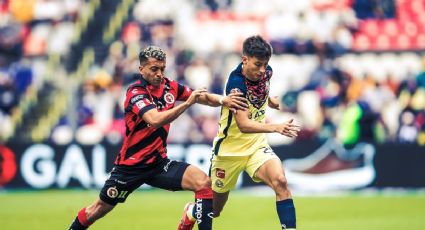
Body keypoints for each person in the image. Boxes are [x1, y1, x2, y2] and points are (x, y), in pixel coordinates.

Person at [68, 46, 248, 230]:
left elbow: (201, 97)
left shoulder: (169, 86)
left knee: (204, 184)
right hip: (130, 168)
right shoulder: (135, 93)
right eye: (154, 69)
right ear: (141, 69)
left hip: (158, 164)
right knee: (96, 210)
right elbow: (154, 120)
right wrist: (187, 103)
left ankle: (188, 221)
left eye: (162, 69)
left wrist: (222, 100)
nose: (159, 74)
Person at [212, 35, 300, 229]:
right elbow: (243, 124)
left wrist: (270, 100)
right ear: (245, 60)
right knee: (215, 211)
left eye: (265, 65)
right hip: (229, 151)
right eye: (258, 64)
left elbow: (259, 90)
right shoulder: (236, 85)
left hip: (256, 146)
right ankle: (192, 212)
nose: (262, 70)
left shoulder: (267, 72)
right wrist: (276, 127)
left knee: (281, 181)